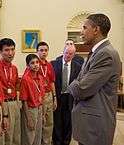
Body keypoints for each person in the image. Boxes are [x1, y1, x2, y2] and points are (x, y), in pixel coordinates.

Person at [67, 13, 121, 145]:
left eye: (85, 28)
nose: (81, 32)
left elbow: (81, 89)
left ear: (96, 29)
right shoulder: (96, 52)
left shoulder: (106, 54)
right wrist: (78, 82)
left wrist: (72, 84)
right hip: (89, 123)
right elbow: (80, 79)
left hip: (95, 126)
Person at [51, 45, 82, 145]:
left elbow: (79, 82)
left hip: (70, 98)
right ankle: (57, 141)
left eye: (71, 53)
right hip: (57, 97)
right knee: (57, 121)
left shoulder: (78, 66)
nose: (68, 55)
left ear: (74, 55)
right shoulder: (53, 64)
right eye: (66, 52)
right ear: (63, 52)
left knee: (69, 122)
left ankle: (66, 141)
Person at [0, 38, 21, 145]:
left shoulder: (14, 68)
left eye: (12, 49)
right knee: (7, 136)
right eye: (6, 50)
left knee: (16, 135)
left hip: (14, 102)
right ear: (0, 52)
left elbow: (16, 86)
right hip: (3, 103)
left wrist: (18, 102)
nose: (10, 53)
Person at [20, 54, 44, 145]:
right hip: (30, 110)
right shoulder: (26, 79)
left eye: (37, 62)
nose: (36, 65)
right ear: (28, 65)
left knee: (38, 136)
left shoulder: (40, 78)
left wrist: (42, 114)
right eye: (32, 63)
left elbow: (42, 97)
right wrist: (28, 118)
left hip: (39, 109)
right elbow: (24, 101)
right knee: (29, 137)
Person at [36, 41, 57, 145]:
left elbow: (52, 82)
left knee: (49, 122)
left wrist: (54, 97)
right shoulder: (34, 64)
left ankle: (47, 142)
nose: (44, 52)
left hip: (49, 95)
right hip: (39, 97)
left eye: (45, 50)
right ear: (37, 52)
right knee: (41, 122)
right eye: (41, 50)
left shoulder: (49, 65)